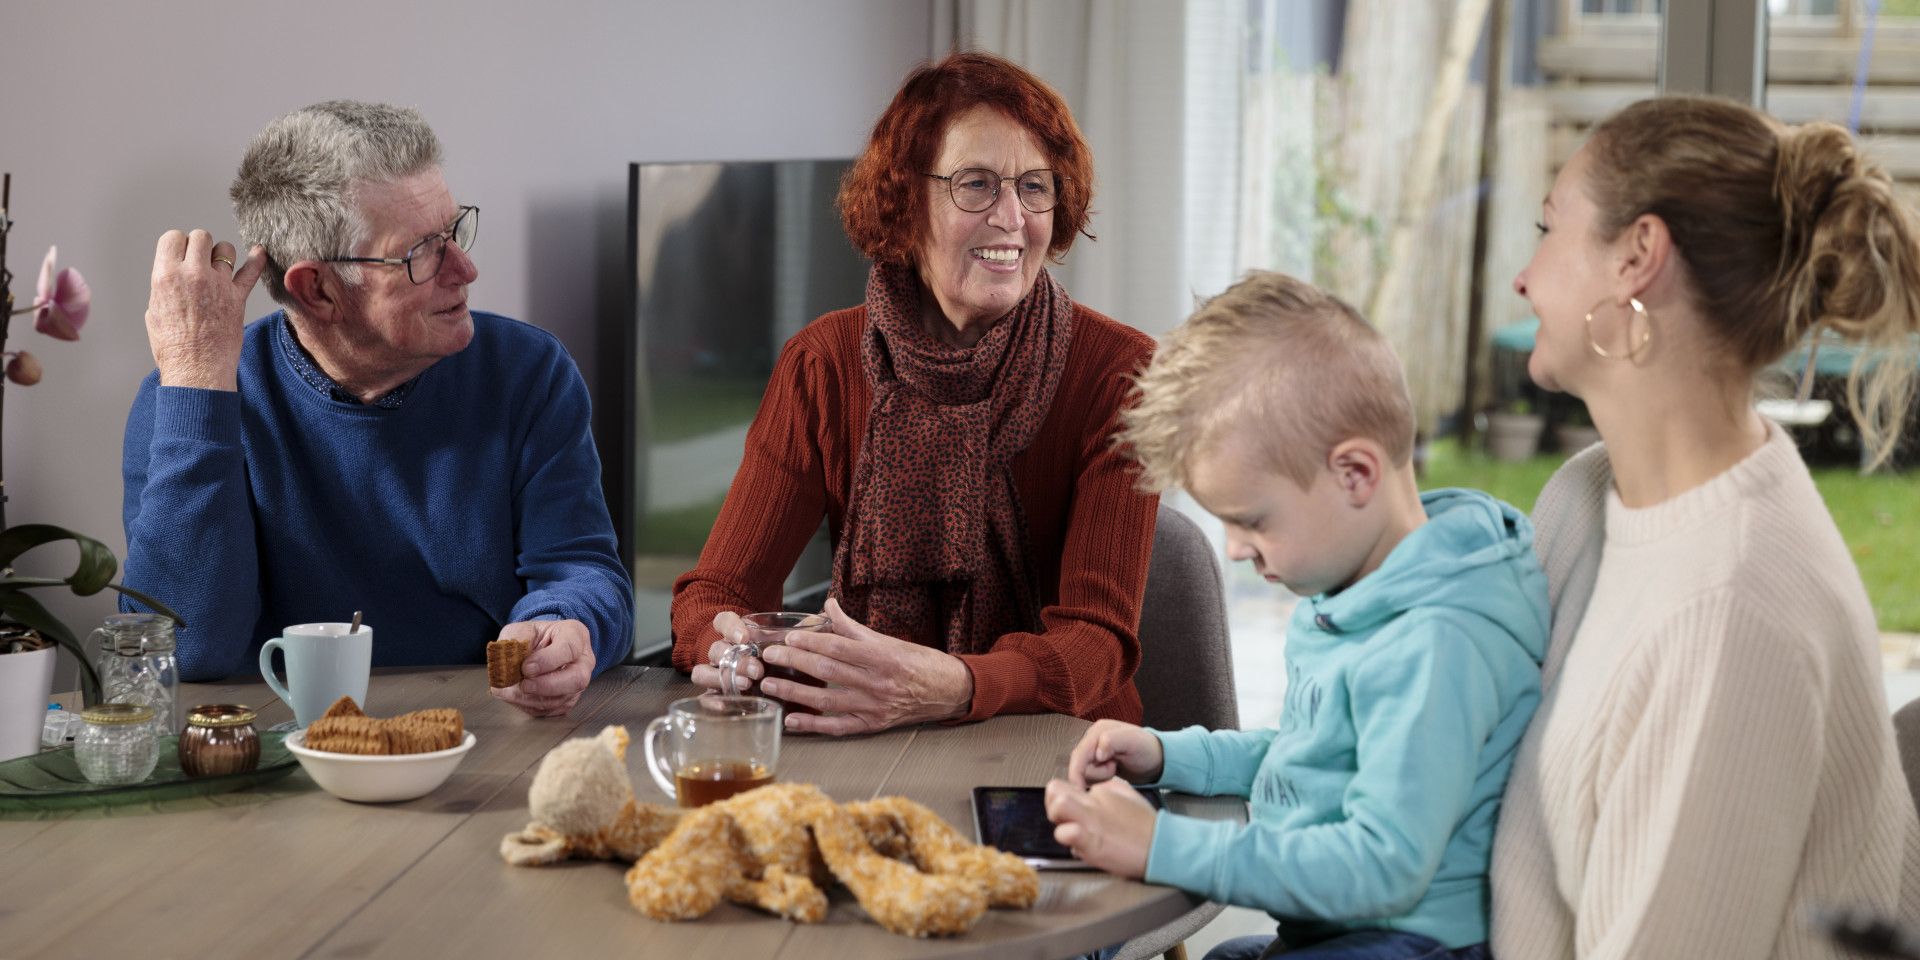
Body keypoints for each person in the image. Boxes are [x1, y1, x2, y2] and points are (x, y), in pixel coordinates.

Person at [1489, 95, 1920, 958]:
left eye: (1549, 228)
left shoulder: (1731, 615)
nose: (1523, 276)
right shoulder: (1587, 501)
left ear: (1638, 257)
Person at [1045, 271, 1550, 960]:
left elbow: (1381, 867)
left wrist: (1161, 845)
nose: (1234, 549)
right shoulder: (1367, 587)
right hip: (1347, 929)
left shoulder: (1437, 640)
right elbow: (1310, 756)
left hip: (1398, 942)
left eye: (1252, 520)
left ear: (1355, 475)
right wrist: (1168, 753)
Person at [672, 52, 1159, 735]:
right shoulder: (823, 363)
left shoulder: (1121, 373)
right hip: (864, 732)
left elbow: (1096, 645)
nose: (1013, 218)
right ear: (905, 201)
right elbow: (717, 593)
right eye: (977, 184)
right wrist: (727, 648)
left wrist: (954, 683)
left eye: (1034, 186)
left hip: (1070, 749)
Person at [123, 100, 631, 717]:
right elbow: (189, 647)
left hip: (483, 733)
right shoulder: (186, 400)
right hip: (284, 753)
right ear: (319, 289)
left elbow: (582, 569)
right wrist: (197, 386)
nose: (466, 268)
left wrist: (568, 624)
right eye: (421, 253)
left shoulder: (527, 371)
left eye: (455, 231)